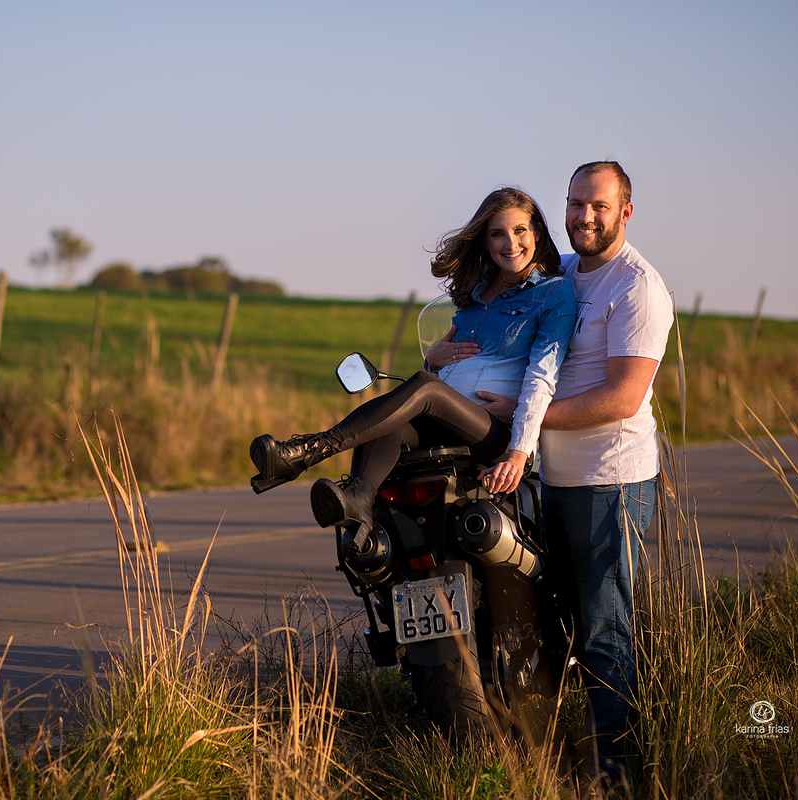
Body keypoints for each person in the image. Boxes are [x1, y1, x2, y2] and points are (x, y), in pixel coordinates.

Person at [456, 162, 673, 785]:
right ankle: (557, 759)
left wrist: (529, 419)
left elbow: (623, 398)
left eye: (598, 207)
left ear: (625, 212)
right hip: (555, 478)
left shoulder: (637, 287)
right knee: (561, 624)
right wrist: (447, 353)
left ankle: (615, 775)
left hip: (612, 481)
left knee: (604, 630)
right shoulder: (567, 276)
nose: (584, 217)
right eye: (576, 204)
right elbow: (507, 334)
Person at [248, 187, 576, 533]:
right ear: (485, 241)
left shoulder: (553, 293)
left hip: (494, 433)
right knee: (391, 419)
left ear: (536, 232)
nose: (510, 243)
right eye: (498, 233)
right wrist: (433, 363)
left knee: (424, 387)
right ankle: (360, 504)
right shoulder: (475, 293)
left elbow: (542, 378)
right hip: (446, 420)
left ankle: (307, 451)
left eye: (520, 230)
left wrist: (518, 453)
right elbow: (455, 367)